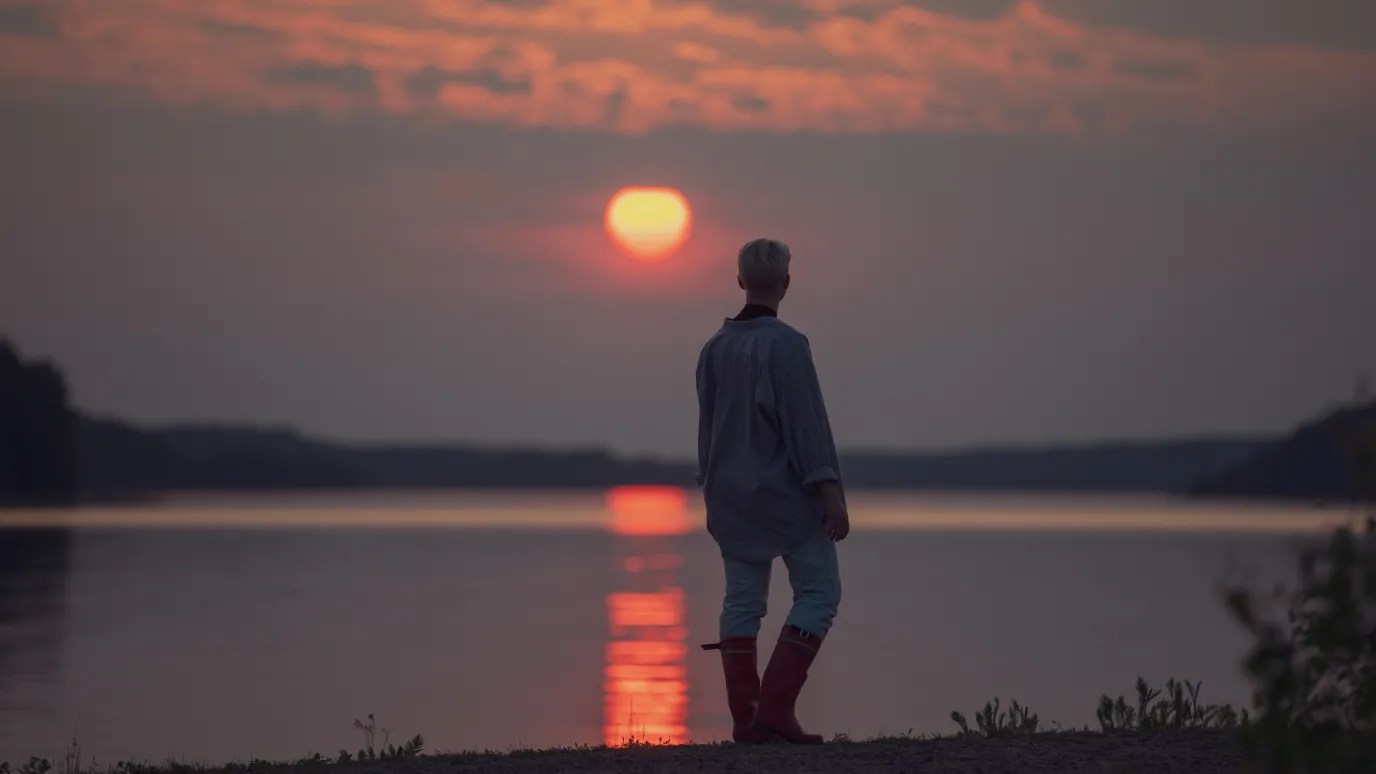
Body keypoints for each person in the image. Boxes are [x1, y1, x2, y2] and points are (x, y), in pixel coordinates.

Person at [695, 237, 850, 745]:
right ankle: (774, 711)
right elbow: (806, 424)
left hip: (730, 498)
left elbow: (708, 432)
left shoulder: (714, 348)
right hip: (785, 498)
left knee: (742, 601)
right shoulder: (786, 345)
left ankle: (748, 718)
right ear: (786, 282)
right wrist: (828, 488)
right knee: (819, 591)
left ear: (739, 281)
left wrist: (710, 494)